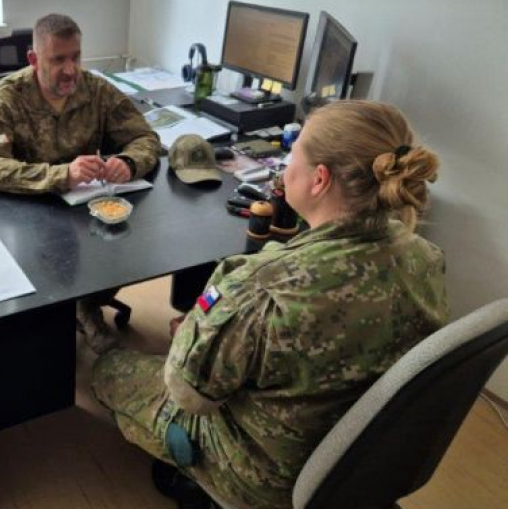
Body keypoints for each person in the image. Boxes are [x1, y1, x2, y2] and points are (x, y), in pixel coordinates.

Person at [92, 100, 447, 509]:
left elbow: (189, 394)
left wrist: (193, 332)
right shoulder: (426, 258)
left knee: (110, 370)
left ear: (319, 179)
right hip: (364, 461)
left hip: (263, 477)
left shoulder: (261, 285)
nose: (285, 165)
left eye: (293, 154)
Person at [0, 13, 161, 353]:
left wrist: (129, 162)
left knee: (130, 244)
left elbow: (145, 138)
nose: (70, 70)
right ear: (34, 60)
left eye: (75, 57)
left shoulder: (96, 90)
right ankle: (53, 324)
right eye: (58, 60)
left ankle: (87, 305)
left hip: (86, 210)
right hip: (29, 213)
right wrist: (61, 175)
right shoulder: (5, 99)